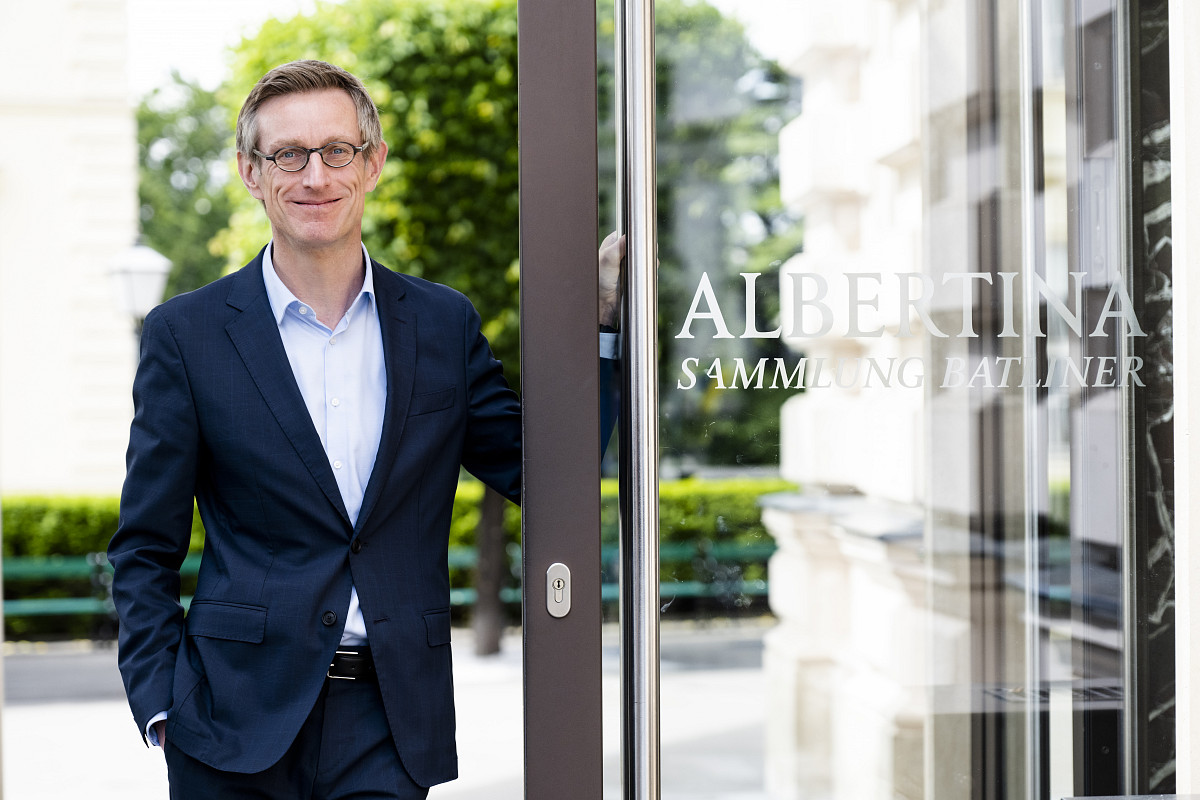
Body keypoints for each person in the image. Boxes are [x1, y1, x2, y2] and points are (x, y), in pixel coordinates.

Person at [108, 59, 622, 799]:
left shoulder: (443, 325)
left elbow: (547, 475)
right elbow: (144, 544)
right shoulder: (186, 336)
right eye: (288, 154)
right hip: (228, 725)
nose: (314, 175)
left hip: (389, 723)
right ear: (253, 174)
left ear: (371, 163)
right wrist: (163, 704)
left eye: (337, 151)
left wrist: (604, 329)